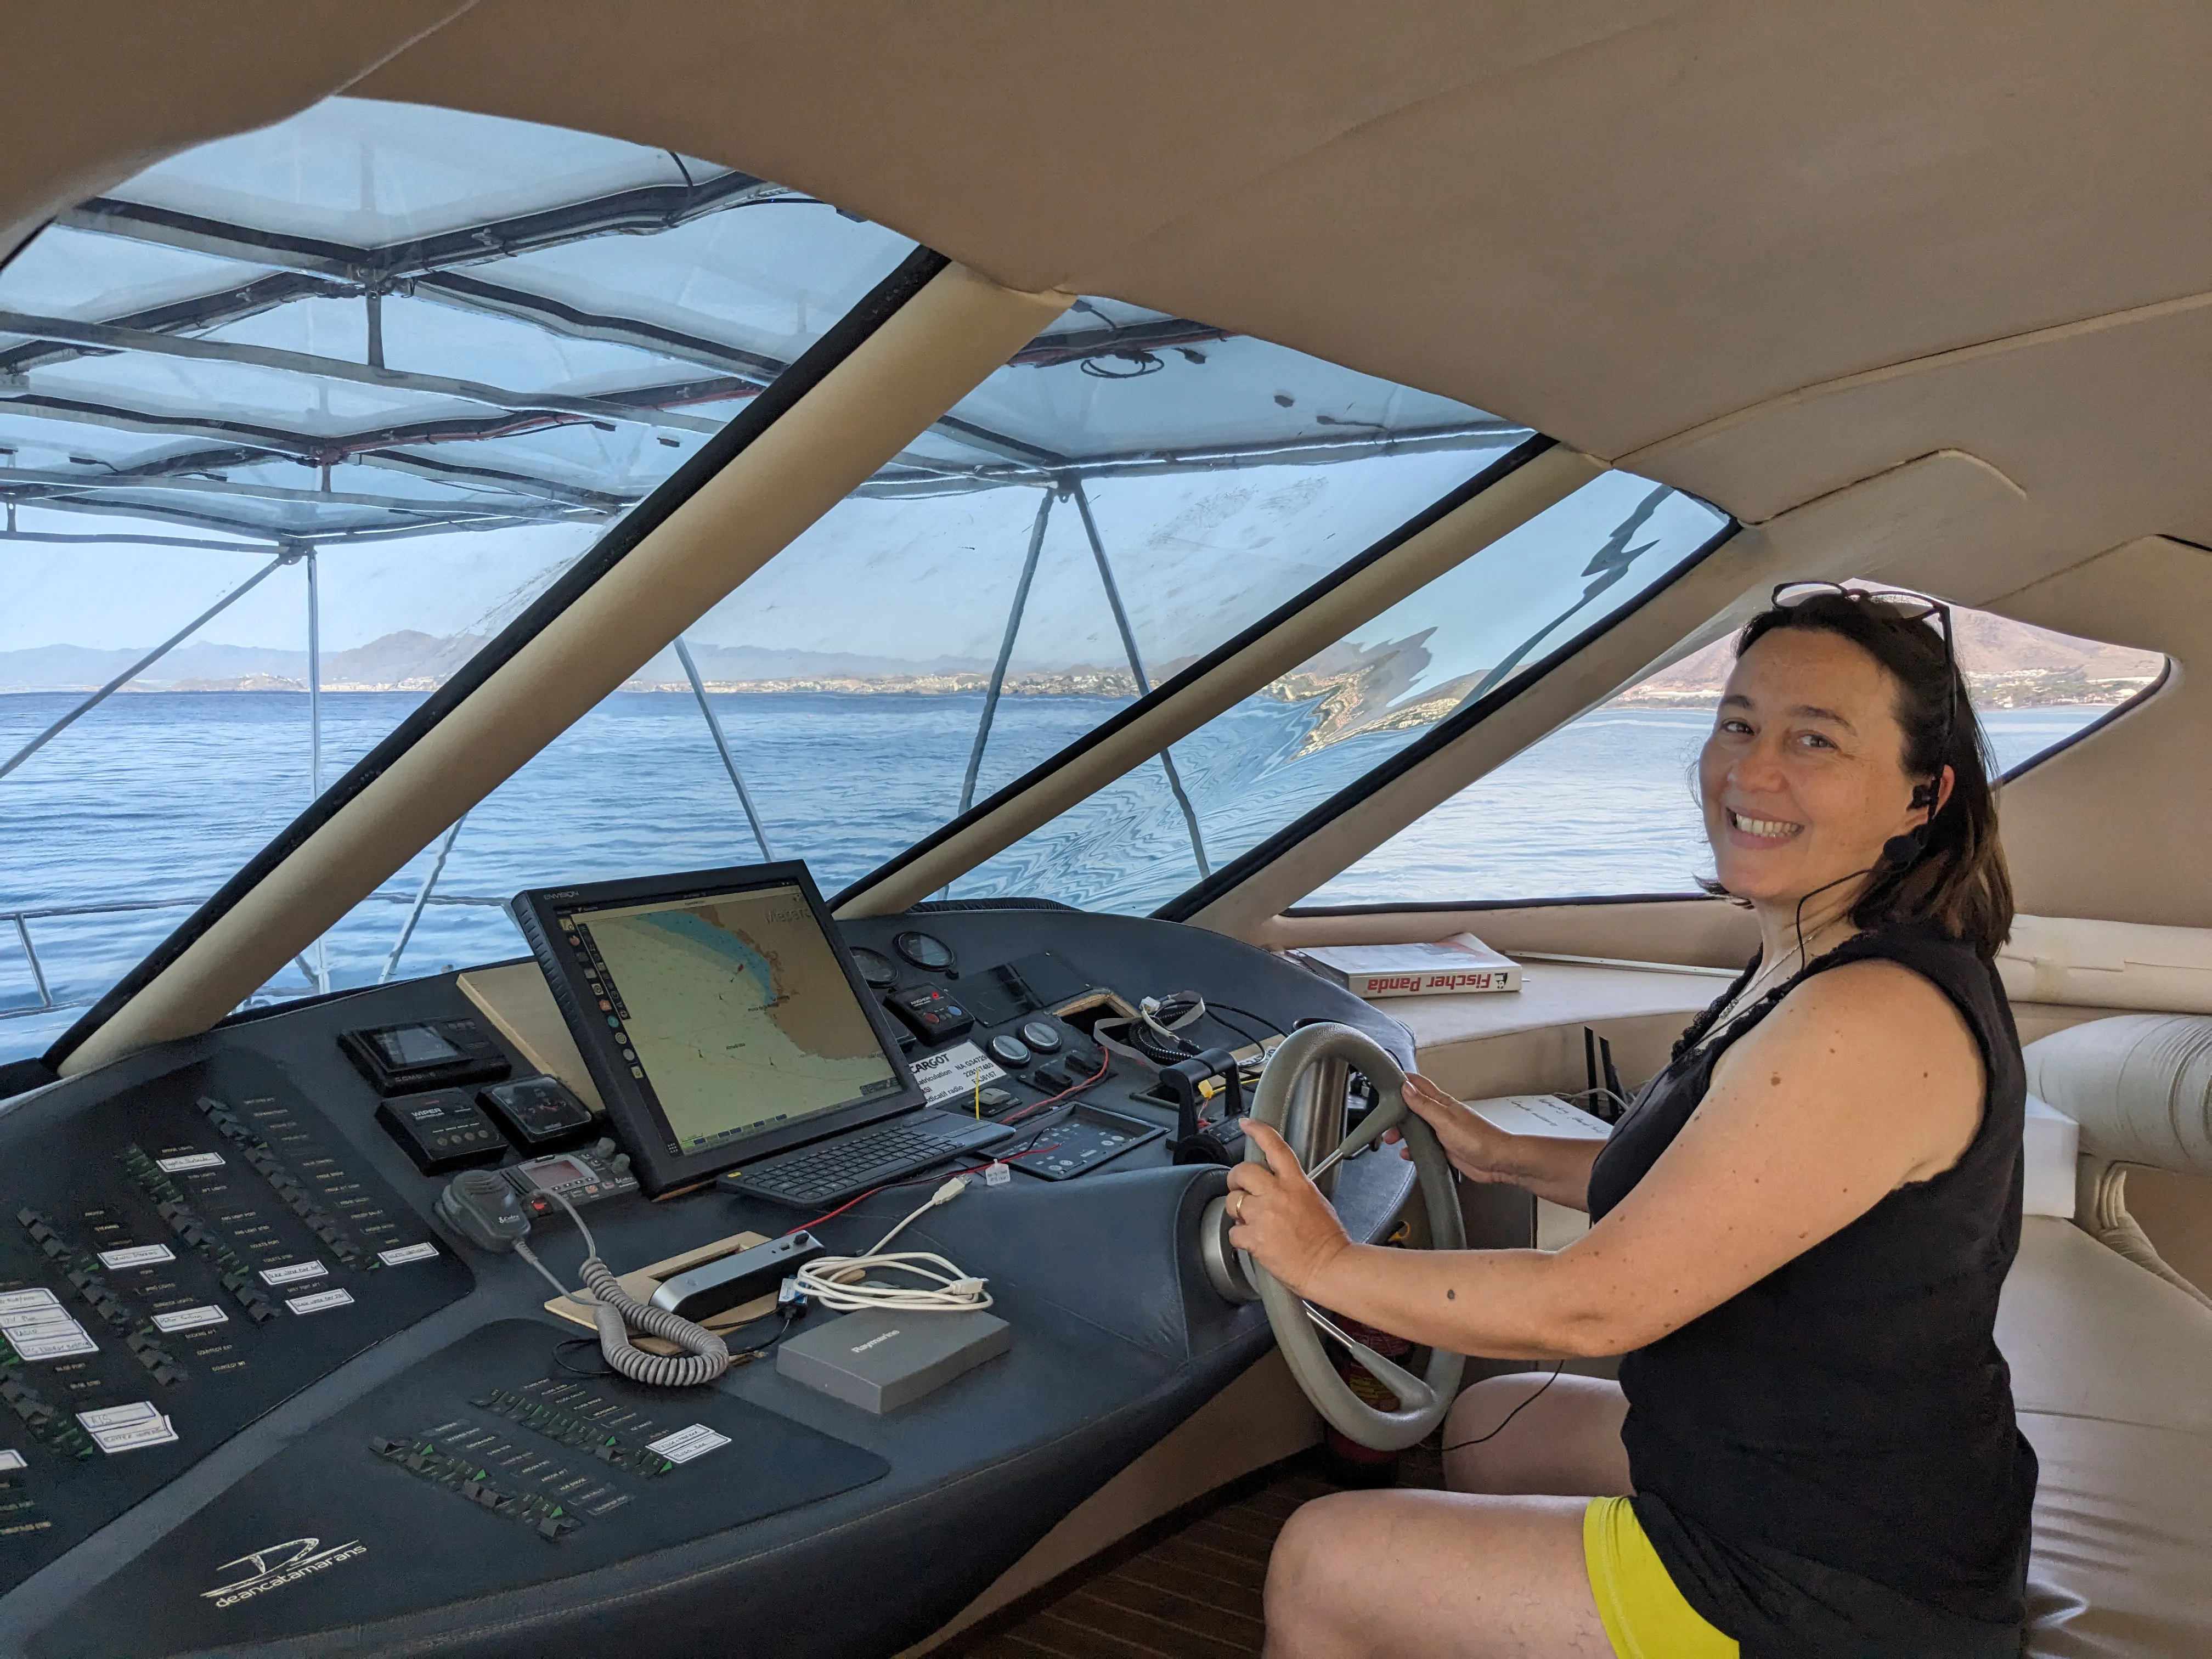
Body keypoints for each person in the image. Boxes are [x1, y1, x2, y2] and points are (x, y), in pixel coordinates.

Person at [1226, 584, 2035, 1658]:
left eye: (1816, 739)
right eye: (1738, 724)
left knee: (1320, 1561)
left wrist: (1321, 1260)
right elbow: (1725, 1182)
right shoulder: (1807, 957)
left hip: (1828, 1585)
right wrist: (1501, 1152)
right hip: (1818, 1475)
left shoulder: (1869, 1017)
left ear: (1920, 799)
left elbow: (1594, 1311)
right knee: (1486, 1427)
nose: (1753, 770)